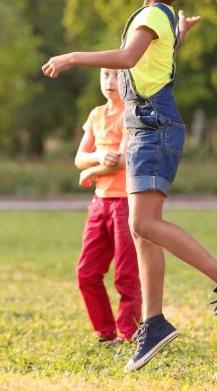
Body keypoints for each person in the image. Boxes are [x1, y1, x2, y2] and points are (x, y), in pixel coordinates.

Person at [42, 0, 217, 372]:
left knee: (143, 222)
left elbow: (128, 59)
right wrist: (183, 36)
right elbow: (157, 61)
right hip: (148, 126)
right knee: (141, 230)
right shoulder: (162, 17)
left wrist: (73, 56)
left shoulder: (153, 15)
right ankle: (153, 322)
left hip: (153, 128)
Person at [75, 68, 141, 347]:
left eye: (117, 75)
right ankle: (105, 333)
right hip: (99, 204)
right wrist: (96, 157)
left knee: (126, 275)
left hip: (126, 203)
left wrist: (89, 173)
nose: (110, 81)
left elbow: (122, 161)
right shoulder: (96, 115)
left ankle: (129, 334)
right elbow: (79, 157)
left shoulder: (131, 113)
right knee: (87, 272)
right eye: (105, 75)